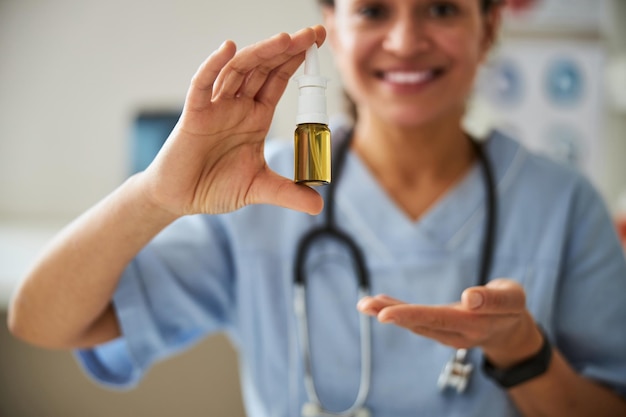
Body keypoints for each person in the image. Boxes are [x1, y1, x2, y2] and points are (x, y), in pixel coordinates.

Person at [8, 0, 626, 416]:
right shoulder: (260, 186)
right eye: (374, 9)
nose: (406, 40)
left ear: (488, 26)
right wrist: (155, 196)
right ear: (331, 20)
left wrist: (524, 354)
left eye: (441, 7)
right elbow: (42, 321)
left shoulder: (561, 204)